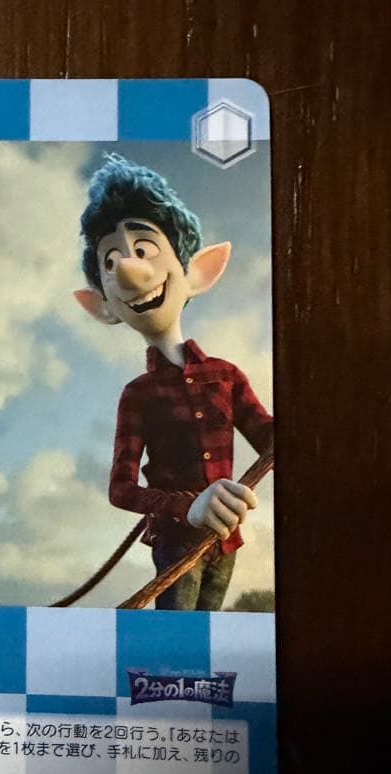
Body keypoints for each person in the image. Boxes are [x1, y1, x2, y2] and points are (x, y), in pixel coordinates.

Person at [74, 155, 273, 610]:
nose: (128, 269)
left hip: (226, 541)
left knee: (208, 634)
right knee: (177, 637)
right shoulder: (138, 395)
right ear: (102, 306)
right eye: (111, 260)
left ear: (197, 271)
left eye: (144, 249)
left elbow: (270, 439)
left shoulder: (226, 376)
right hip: (175, 544)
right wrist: (188, 507)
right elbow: (121, 489)